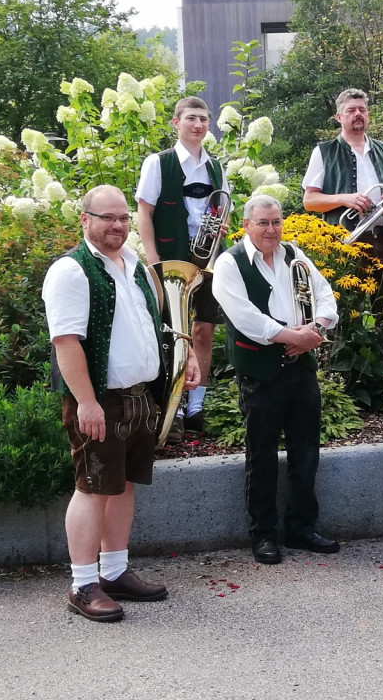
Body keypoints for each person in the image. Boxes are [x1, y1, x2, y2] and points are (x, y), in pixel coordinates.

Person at [43, 185, 200, 622]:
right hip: (100, 401)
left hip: (137, 398)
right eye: (106, 217)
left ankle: (113, 572)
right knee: (92, 489)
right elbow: (66, 342)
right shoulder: (71, 271)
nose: (117, 225)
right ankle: (82, 584)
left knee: (124, 485)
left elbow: (150, 329)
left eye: (123, 218)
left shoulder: (133, 266)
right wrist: (86, 403)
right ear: (85, 219)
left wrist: (179, 365)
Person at [212, 194, 341, 564]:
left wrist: (315, 328)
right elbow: (244, 316)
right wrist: (291, 336)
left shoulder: (295, 255)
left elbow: (325, 296)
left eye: (276, 222)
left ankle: (301, 528)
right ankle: (263, 534)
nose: (271, 229)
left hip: (301, 367)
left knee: (306, 453)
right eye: (263, 223)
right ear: (247, 225)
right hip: (259, 371)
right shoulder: (229, 263)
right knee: (262, 456)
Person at [136, 96, 230, 435]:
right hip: (171, 261)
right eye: (191, 118)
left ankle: (196, 407)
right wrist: (154, 261)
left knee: (204, 330)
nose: (199, 125)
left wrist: (221, 227)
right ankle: (170, 408)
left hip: (208, 262)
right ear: (176, 123)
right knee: (173, 334)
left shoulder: (216, 167)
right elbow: (144, 213)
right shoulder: (158, 163)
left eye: (204, 119)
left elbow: (222, 209)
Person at [302, 88, 383, 314]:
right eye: (351, 110)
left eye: (362, 109)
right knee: (347, 312)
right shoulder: (324, 151)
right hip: (346, 244)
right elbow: (309, 201)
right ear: (339, 117)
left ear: (368, 115)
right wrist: (345, 198)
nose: (358, 114)